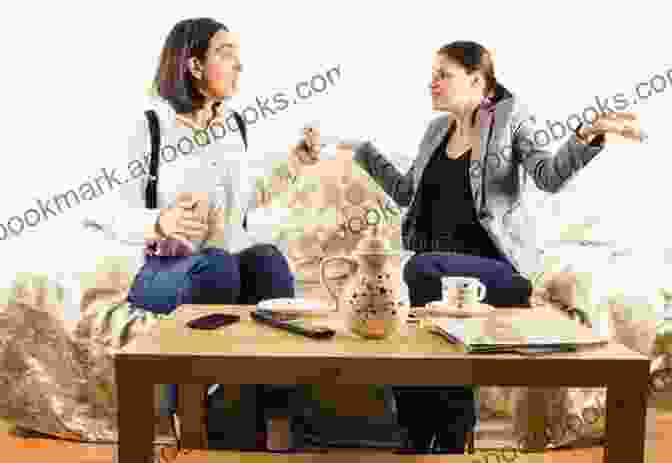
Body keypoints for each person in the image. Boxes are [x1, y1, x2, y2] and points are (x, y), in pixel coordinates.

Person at [334, 41, 643, 454]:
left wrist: (587, 135)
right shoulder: (434, 132)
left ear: (477, 80)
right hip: (437, 275)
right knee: (416, 318)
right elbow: (407, 193)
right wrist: (363, 151)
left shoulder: (511, 119)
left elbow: (548, 176)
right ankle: (426, 436)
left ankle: (444, 433)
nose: (433, 83)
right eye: (433, 74)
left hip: (495, 271)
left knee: (417, 273)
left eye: (443, 74)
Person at [84, 18, 322, 451]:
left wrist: (295, 163)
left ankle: (280, 419)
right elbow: (102, 210)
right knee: (217, 265)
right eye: (226, 54)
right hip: (166, 272)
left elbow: (246, 203)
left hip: (222, 265)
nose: (239, 65)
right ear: (193, 65)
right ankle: (189, 414)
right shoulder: (150, 127)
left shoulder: (235, 127)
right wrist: (161, 223)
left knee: (267, 260)